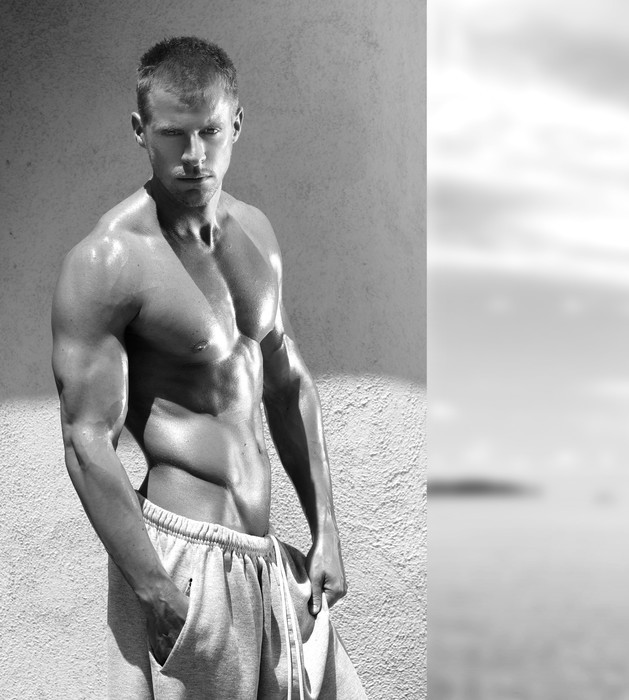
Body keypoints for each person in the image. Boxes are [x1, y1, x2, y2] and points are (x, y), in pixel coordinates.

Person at [51, 36, 367, 700]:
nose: (194, 155)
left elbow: (286, 383)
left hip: (265, 559)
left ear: (236, 125)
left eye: (210, 132)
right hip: (183, 561)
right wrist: (152, 586)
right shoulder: (110, 259)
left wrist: (325, 531)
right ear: (141, 131)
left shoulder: (257, 233)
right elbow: (85, 438)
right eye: (173, 134)